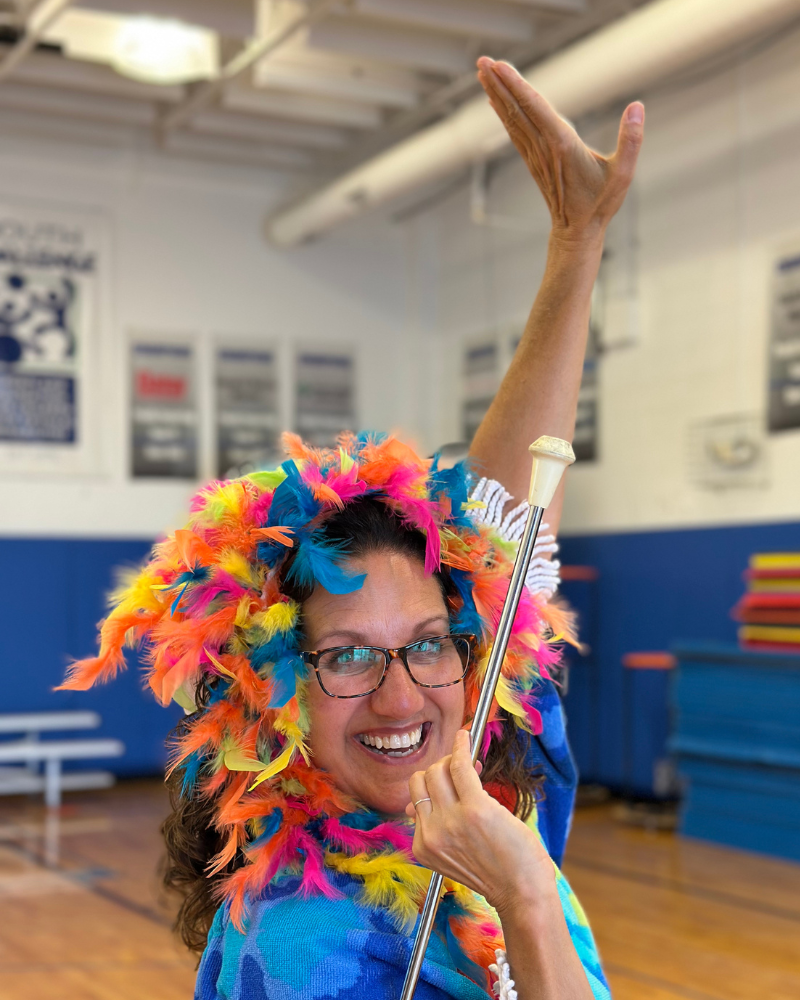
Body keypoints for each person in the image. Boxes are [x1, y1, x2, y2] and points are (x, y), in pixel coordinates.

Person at [60, 59, 643, 1000]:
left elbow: (502, 531)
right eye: (346, 659)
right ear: (270, 696)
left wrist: (577, 245)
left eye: (426, 645)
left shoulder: (473, 813)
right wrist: (532, 902)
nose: (402, 697)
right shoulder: (310, 949)